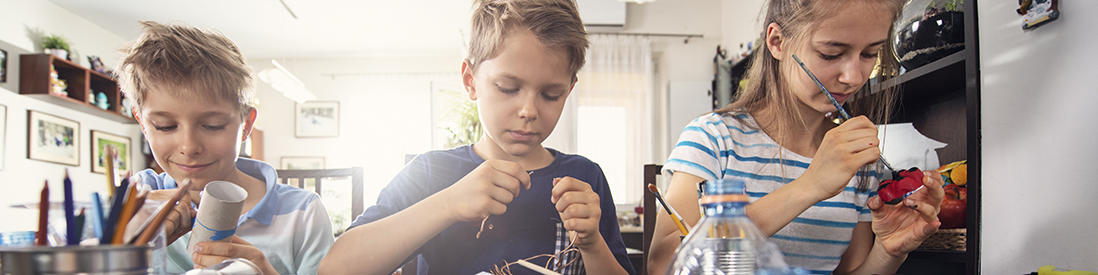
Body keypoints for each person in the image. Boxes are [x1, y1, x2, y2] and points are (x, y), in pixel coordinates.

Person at [319, 0, 634, 274]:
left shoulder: (585, 176)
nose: (528, 110)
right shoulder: (430, 173)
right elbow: (336, 268)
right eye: (508, 88)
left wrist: (592, 244)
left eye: (551, 94)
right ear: (471, 81)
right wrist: (448, 204)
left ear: (569, 90)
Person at [646, 0, 946, 274]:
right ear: (777, 42)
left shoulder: (860, 160)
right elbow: (663, 266)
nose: (854, 76)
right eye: (831, 53)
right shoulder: (714, 138)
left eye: (870, 53)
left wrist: (887, 252)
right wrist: (810, 185)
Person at [118, 21, 334, 275]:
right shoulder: (137, 200)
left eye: (212, 125)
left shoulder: (302, 214)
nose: (189, 147)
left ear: (246, 125)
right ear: (143, 124)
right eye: (165, 126)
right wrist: (122, 247)